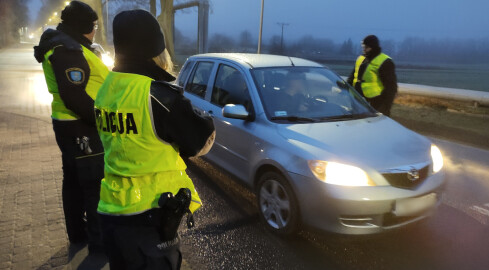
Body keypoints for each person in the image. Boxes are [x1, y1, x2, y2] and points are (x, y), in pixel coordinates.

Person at [94, 9, 215, 269]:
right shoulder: (159, 96)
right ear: (155, 50)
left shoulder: (107, 86)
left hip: (112, 213)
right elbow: (201, 141)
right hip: (149, 221)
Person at [33, 1, 107, 254]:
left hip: (69, 125)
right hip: (81, 128)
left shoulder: (66, 45)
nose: (95, 30)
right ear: (83, 26)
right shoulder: (68, 50)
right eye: (94, 26)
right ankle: (98, 244)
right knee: (93, 184)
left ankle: (77, 234)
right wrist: (102, 120)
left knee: (74, 181)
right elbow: (74, 96)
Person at [347, 35, 398, 116]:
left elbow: (391, 87)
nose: (364, 49)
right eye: (363, 47)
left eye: (366, 47)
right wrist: (345, 87)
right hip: (357, 100)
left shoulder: (385, 61)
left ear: (373, 47)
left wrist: (385, 108)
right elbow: (353, 76)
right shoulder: (360, 59)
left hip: (376, 102)